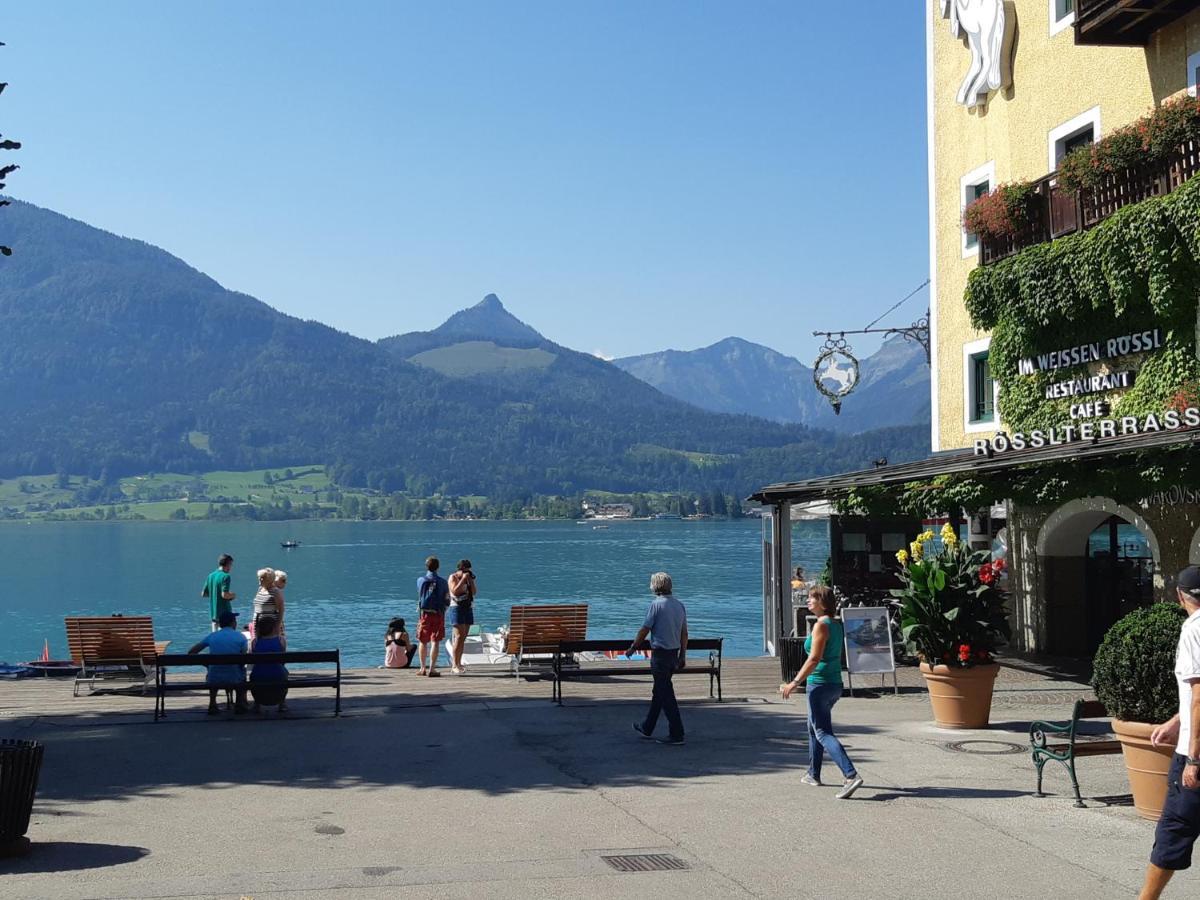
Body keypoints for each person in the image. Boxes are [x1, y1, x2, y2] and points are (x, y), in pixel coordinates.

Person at [1138, 566, 1200, 900]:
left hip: (1196, 756)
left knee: (1173, 832)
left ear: (1180, 596)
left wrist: (1193, 757)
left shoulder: (1193, 630)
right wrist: (1178, 719)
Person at [780, 586, 863, 799]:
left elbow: (814, 658)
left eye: (812, 598)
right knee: (813, 727)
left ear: (823, 603)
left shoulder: (821, 626)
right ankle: (813, 773)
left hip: (819, 683)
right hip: (835, 682)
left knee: (823, 732)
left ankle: (850, 775)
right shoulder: (836, 625)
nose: (808, 601)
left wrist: (794, 682)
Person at [628, 571, 688, 746]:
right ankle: (647, 726)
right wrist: (683, 655)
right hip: (673, 654)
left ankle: (677, 733)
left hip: (660, 655)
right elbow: (684, 633)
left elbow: (644, 630)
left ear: (655, 586)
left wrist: (633, 647)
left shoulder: (655, 605)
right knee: (660, 691)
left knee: (666, 694)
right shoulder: (679, 605)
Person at [187, 609, 248, 715]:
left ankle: (213, 704)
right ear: (233, 623)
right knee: (241, 672)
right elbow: (243, 659)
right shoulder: (241, 637)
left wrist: (207, 664)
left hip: (214, 678)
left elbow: (191, 652)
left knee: (212, 671)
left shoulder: (212, 636)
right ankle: (239, 703)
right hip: (235, 677)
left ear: (220, 624)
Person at [416, 556, 450, 677]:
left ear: (426, 566)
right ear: (438, 567)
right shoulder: (443, 582)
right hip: (438, 613)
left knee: (423, 641)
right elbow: (447, 599)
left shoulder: (420, 580)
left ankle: (422, 668)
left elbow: (420, 595)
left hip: (425, 614)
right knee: (435, 641)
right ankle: (432, 668)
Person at [249, 614, 288, 714]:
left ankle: (257, 704)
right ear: (274, 628)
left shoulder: (254, 642)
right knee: (285, 672)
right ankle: (282, 703)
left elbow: (252, 660)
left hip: (258, 676)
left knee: (253, 675)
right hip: (278, 675)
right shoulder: (281, 641)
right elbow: (283, 660)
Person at [447, 559, 477, 674]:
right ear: (461, 569)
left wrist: (470, 581)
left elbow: (474, 592)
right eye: (466, 571)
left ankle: (459, 663)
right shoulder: (453, 577)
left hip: (467, 607)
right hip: (456, 608)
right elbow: (454, 591)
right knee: (458, 637)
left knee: (463, 637)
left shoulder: (468, 578)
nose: (468, 573)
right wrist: (463, 579)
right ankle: (454, 665)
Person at [201, 554, 236, 631]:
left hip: (214, 615)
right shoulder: (225, 576)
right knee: (225, 638)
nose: (231, 567)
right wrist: (233, 595)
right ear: (228, 564)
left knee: (215, 638)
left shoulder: (211, 575)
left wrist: (215, 593)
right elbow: (224, 595)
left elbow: (204, 594)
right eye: (231, 565)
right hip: (224, 615)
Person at [273, 570, 288, 635]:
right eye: (283, 581)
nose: (285, 583)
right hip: (275, 622)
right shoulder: (277, 592)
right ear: (275, 581)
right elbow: (280, 610)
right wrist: (280, 626)